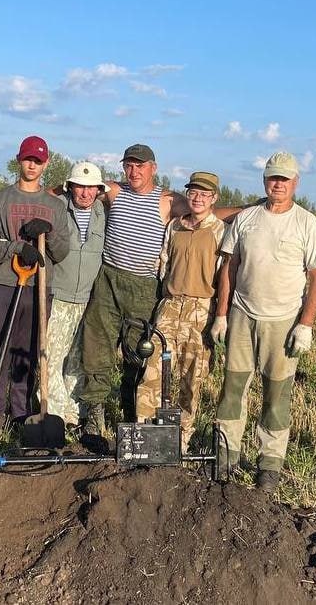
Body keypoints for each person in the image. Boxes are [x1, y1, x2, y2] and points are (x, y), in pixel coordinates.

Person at [212, 151, 316, 492]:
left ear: (295, 182)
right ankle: (225, 455)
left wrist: (305, 324)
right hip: (242, 315)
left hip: (282, 321)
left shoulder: (307, 223)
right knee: (232, 390)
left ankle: (269, 465)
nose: (277, 184)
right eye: (272, 178)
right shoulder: (247, 218)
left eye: (284, 179)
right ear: (264, 180)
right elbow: (228, 270)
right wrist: (221, 315)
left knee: (276, 398)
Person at [78, 143, 190, 438]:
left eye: (140, 165)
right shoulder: (114, 191)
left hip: (143, 287)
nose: (134, 171)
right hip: (108, 280)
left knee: (137, 352)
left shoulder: (167, 200)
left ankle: (132, 412)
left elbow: (204, 211)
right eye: (129, 165)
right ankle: (94, 413)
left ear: (154, 168)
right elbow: (80, 189)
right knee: (97, 346)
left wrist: (249, 209)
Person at [0, 136, 72, 422]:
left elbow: (62, 252)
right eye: (28, 159)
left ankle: (21, 414)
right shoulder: (1, 198)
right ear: (19, 159)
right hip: (4, 285)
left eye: (39, 161)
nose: (33, 165)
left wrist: (49, 233)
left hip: (38, 289)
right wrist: (17, 247)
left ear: (46, 164)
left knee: (26, 354)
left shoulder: (54, 206)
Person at [135, 171, 226, 450]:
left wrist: (219, 316)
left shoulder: (220, 231)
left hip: (200, 312)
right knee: (152, 371)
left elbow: (223, 276)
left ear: (214, 198)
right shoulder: (174, 226)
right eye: (193, 192)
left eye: (204, 194)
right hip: (170, 306)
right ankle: (143, 434)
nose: (198, 198)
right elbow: (162, 264)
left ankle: (182, 438)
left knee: (192, 378)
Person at [45, 161, 107, 429]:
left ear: (98, 190)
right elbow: (39, 192)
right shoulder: (57, 207)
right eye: (79, 187)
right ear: (69, 188)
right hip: (58, 297)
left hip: (88, 301)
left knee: (77, 362)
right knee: (49, 359)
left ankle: (74, 413)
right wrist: (61, 187)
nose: (85, 194)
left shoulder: (105, 212)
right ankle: (55, 415)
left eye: (91, 188)